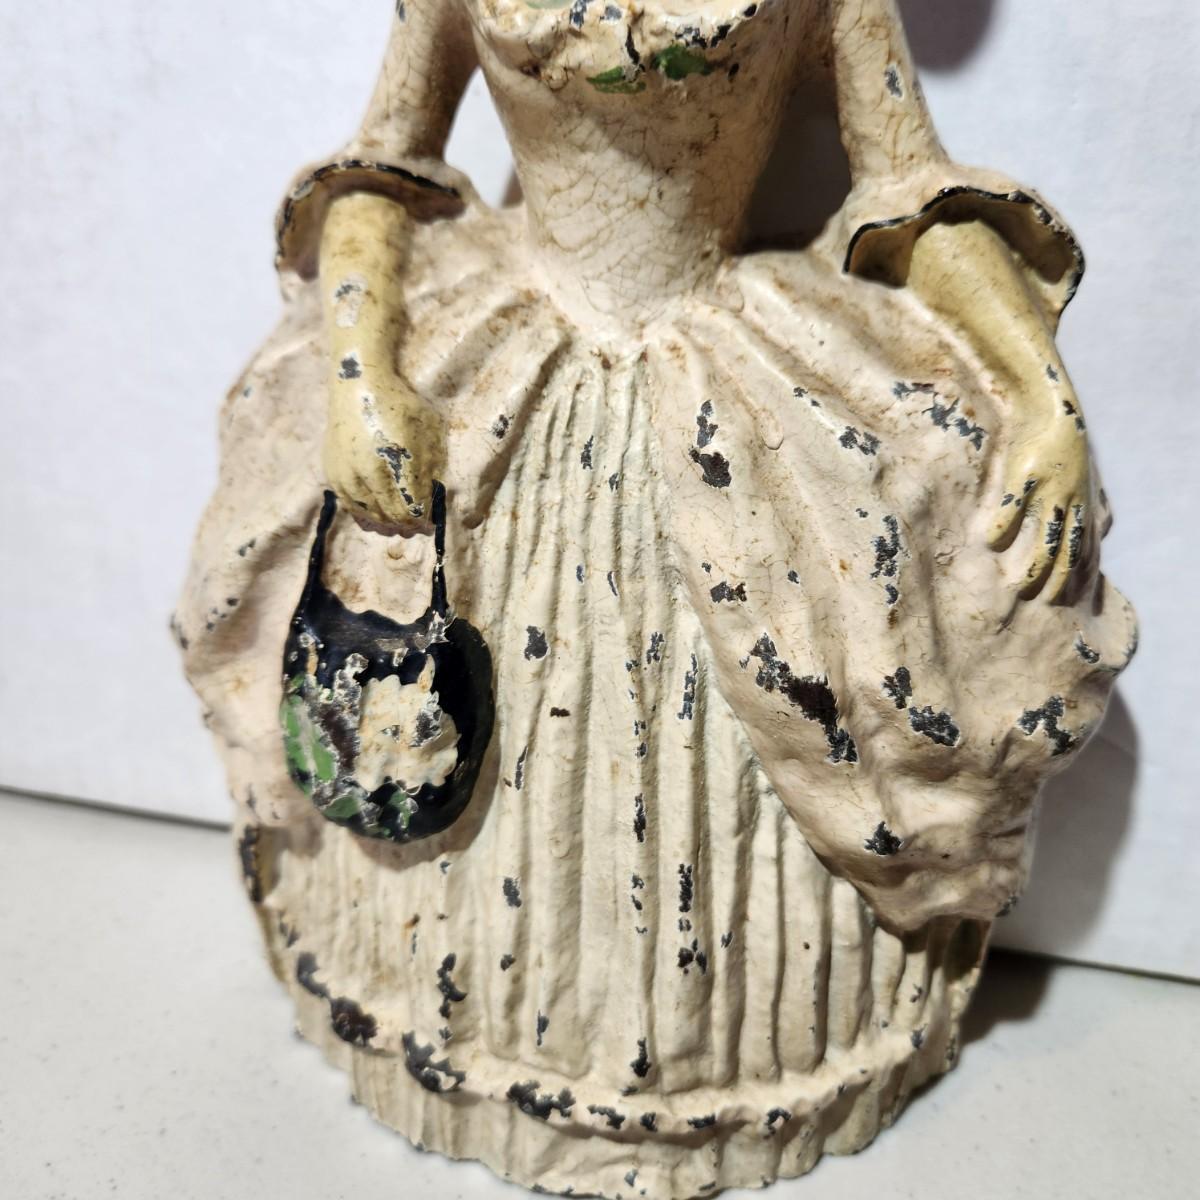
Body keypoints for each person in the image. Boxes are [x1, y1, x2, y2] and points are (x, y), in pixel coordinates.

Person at [178, 4, 1136, 1195]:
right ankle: (456, 1016)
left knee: (902, 569)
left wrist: (1041, 394)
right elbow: (382, 169)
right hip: (505, 349)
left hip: (729, 356)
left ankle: (751, 1049)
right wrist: (360, 370)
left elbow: (909, 195)